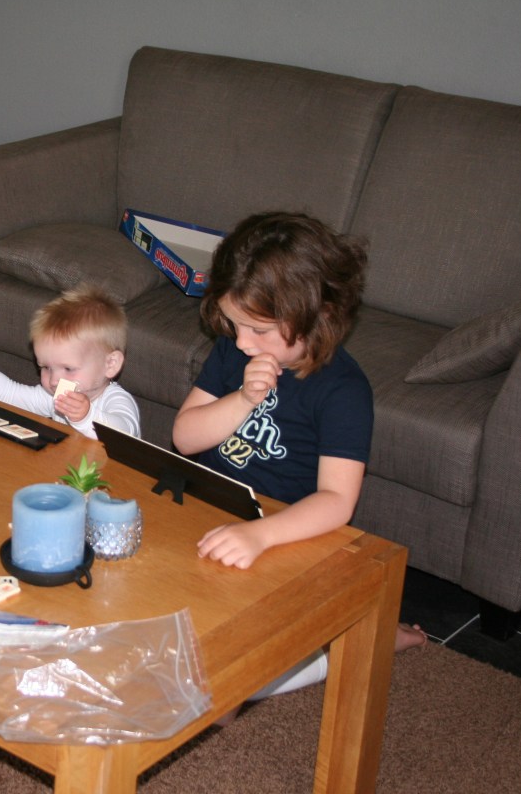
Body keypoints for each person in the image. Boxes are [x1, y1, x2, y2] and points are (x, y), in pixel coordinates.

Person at [172, 212, 424, 709]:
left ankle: (370, 639)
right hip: (219, 512)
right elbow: (184, 437)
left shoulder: (344, 391)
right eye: (235, 324)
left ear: (317, 316)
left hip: (289, 535)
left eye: (258, 330)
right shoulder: (235, 353)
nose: (243, 341)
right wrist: (242, 399)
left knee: (216, 691)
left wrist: (260, 534)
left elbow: (337, 501)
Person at [0, 284, 141, 439]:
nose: (54, 380)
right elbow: (9, 394)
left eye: (68, 368)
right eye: (46, 367)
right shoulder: (53, 396)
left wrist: (86, 417)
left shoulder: (115, 400)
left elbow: (124, 434)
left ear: (110, 364)